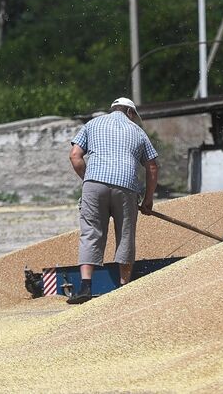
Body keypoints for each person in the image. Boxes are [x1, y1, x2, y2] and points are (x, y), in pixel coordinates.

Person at [66, 96, 159, 304]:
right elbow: (152, 166)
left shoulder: (93, 124)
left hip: (94, 184)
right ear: (130, 113)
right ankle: (124, 286)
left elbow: (75, 155)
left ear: (113, 109)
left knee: (91, 232)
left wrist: (89, 179)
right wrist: (148, 200)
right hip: (125, 186)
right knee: (125, 234)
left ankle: (85, 287)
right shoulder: (138, 131)